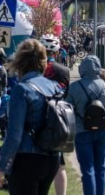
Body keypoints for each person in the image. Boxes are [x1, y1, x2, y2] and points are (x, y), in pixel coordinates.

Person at [0, 39, 62, 194]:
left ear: (20, 62)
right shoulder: (55, 87)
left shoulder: (22, 90)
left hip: (27, 158)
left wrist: (2, 167)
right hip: (52, 158)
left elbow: (14, 135)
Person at [66, 56, 105, 195]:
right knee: (101, 168)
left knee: (88, 169)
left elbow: (67, 111)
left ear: (82, 68)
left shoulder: (74, 87)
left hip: (82, 132)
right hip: (103, 132)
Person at [43, 38, 71, 195]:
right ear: (57, 52)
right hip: (58, 119)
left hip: (38, 119)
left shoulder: (37, 68)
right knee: (60, 164)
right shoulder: (64, 71)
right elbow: (66, 96)